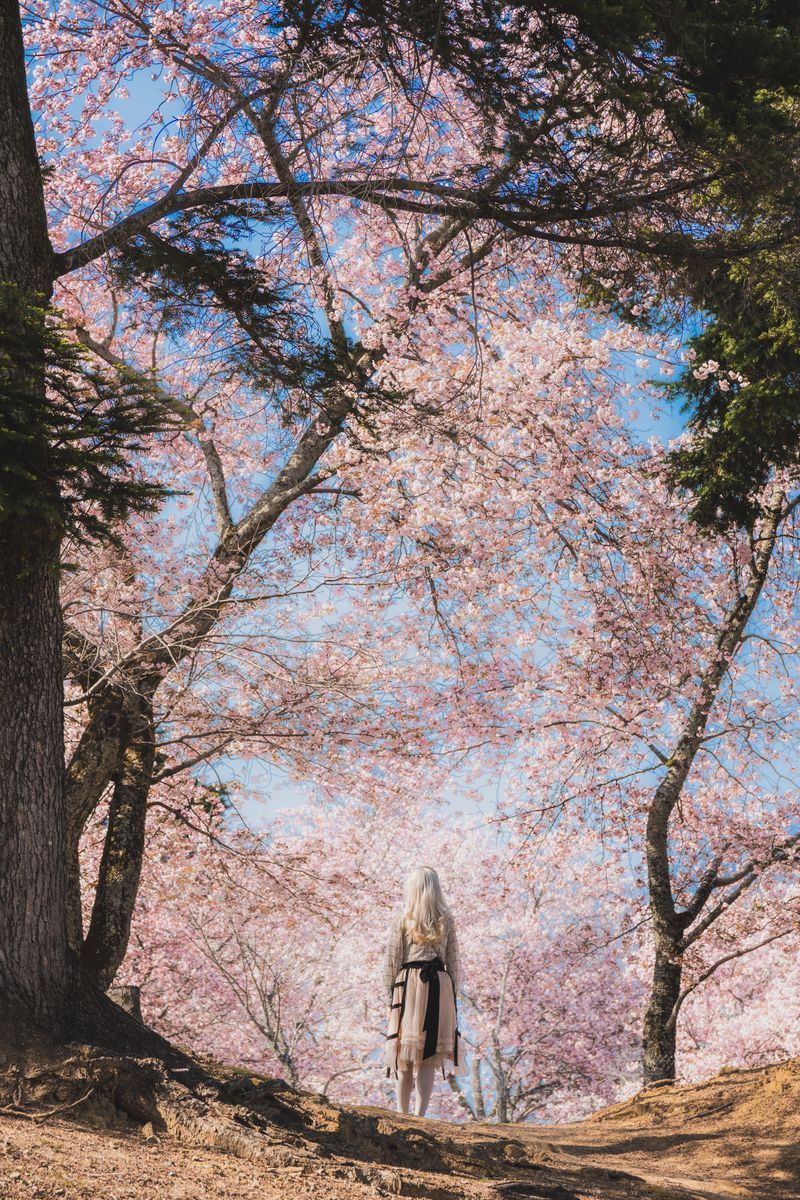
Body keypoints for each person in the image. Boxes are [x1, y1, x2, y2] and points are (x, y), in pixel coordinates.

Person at [382, 865, 464, 1117]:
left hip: (408, 985)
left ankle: (402, 1113)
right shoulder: (446, 919)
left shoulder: (402, 918)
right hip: (439, 986)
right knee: (429, 1056)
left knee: (403, 1052)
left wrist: (389, 996)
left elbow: (391, 960)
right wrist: (453, 996)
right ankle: (420, 1115)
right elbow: (454, 961)